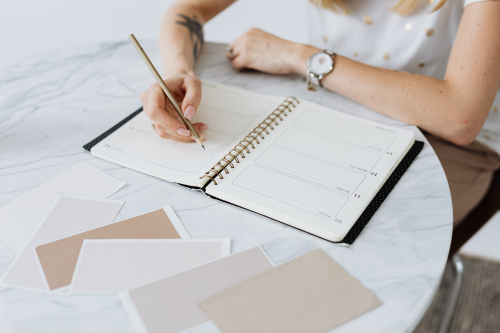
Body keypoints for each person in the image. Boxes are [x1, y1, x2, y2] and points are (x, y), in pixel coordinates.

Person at [140, 0, 500, 226]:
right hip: (346, 115)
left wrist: (299, 56)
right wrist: (180, 72)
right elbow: (188, 10)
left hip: (456, 148)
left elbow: (459, 116)